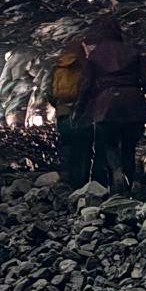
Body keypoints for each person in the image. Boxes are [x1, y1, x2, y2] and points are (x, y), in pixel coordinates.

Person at [74, 17, 146, 192]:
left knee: (110, 145)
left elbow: (86, 86)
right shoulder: (133, 51)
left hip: (107, 105)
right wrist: (136, 91)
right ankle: (129, 187)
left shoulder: (96, 55)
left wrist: (80, 111)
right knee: (129, 148)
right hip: (133, 104)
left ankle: (116, 175)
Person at [48, 41, 92, 187]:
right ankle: (83, 181)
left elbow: (50, 93)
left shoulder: (57, 67)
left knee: (67, 146)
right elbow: (88, 88)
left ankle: (67, 180)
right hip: (82, 113)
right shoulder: (85, 66)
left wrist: (60, 107)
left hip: (63, 113)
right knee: (84, 148)